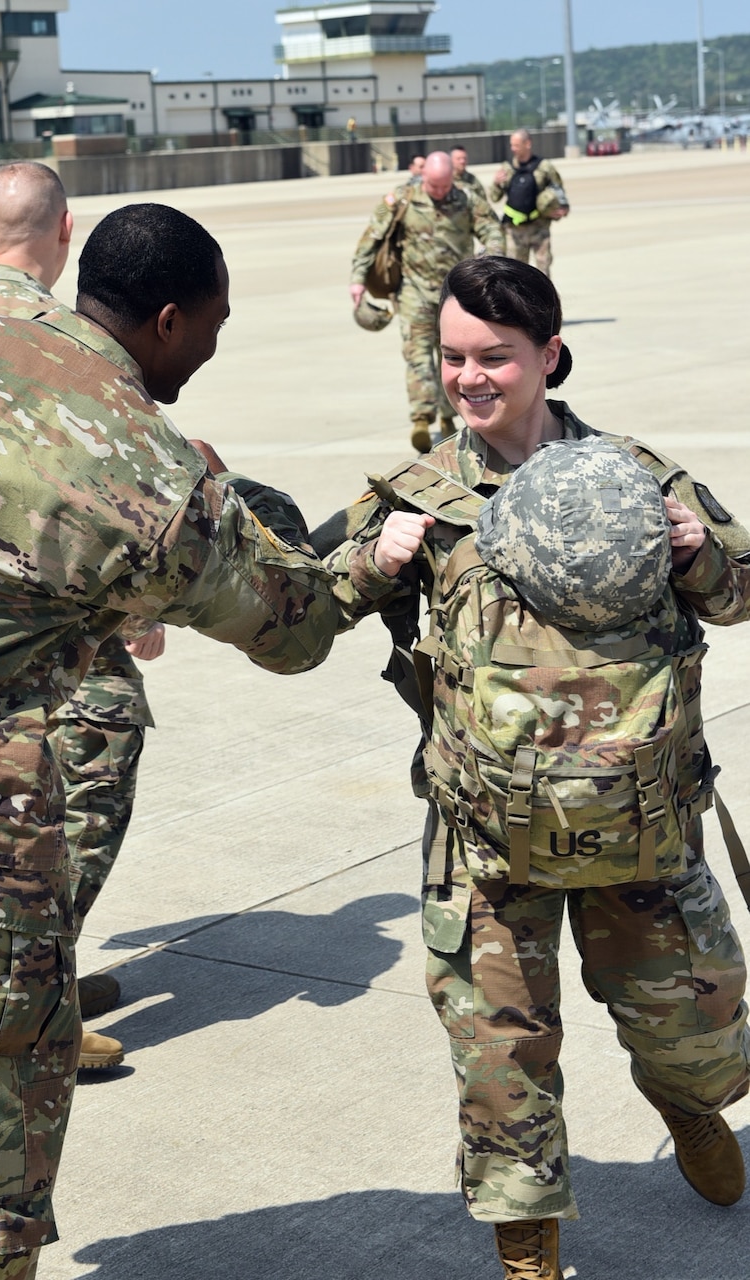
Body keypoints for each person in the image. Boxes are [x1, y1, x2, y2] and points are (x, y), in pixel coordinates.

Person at [0, 201, 422, 1280]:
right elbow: (291, 631)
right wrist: (369, 562)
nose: (210, 346)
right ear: (164, 319)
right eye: (212, 325)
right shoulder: (147, 459)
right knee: (0, 1083)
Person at [319, 255, 750, 1280]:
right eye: (453, 356)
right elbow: (295, 621)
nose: (470, 377)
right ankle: (529, 1234)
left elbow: (742, 593)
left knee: (710, 1040)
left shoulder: (639, 478)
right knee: (501, 1063)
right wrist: (372, 562)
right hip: (487, 844)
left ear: (548, 356)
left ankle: (683, 1098)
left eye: (495, 357)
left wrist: (696, 553)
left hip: (639, 826)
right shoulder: (413, 496)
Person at [0, 160, 164, 1071]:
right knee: (96, 769)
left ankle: (47, 974)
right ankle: (30, 1005)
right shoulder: (73, 344)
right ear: (67, 235)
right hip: (50, 608)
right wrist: (139, 607)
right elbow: (113, 492)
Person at [349, 150, 504, 455]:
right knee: (417, 355)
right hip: (414, 292)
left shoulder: (467, 198)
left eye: (445, 186)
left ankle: (448, 416)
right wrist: (358, 278)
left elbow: (492, 229)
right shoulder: (402, 198)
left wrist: (493, 259)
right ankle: (422, 417)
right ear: (423, 178)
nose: (440, 192)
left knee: (453, 358)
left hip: (457, 296)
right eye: (434, 186)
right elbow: (372, 237)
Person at [488, 128, 569, 276]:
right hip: (514, 231)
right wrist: (496, 183)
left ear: (528, 144)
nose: (513, 149)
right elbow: (494, 197)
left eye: (517, 145)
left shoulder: (544, 167)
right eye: (512, 145)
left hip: (539, 227)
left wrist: (562, 209)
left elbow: (559, 191)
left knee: (543, 271)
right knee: (515, 273)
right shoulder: (507, 169)